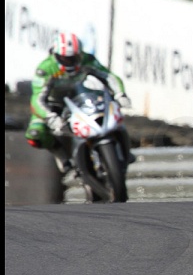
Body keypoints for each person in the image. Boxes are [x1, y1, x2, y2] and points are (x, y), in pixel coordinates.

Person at [25, 31, 133, 175]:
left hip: (81, 97)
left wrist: (120, 94)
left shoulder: (87, 59)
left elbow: (109, 77)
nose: (70, 62)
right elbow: (37, 100)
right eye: (65, 58)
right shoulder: (46, 68)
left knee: (113, 112)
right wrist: (51, 117)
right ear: (56, 55)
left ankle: (125, 149)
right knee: (35, 134)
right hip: (53, 105)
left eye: (73, 58)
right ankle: (61, 155)